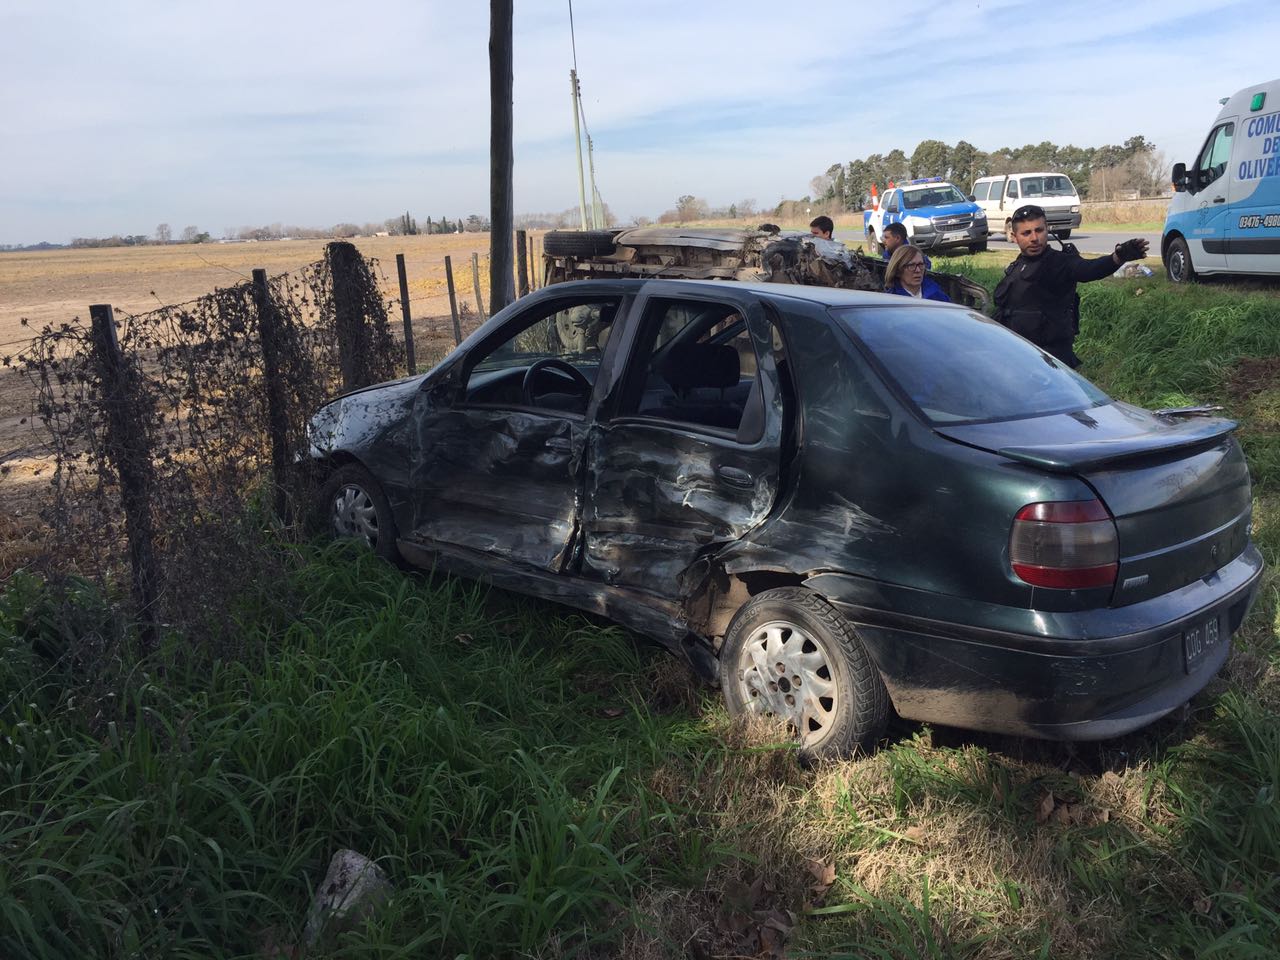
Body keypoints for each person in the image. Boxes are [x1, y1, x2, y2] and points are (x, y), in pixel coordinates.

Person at [994, 204, 1148, 367]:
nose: (1034, 238)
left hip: (1049, 360)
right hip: (1017, 354)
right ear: (1014, 236)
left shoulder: (1061, 263)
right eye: (1026, 233)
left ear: (1047, 229)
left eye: (1039, 230)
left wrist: (1117, 258)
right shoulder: (1018, 265)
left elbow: (1089, 269)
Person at [884, 244, 951, 302]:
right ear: (898, 271)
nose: (918, 270)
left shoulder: (937, 294)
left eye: (921, 264)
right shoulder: (891, 300)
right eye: (911, 265)